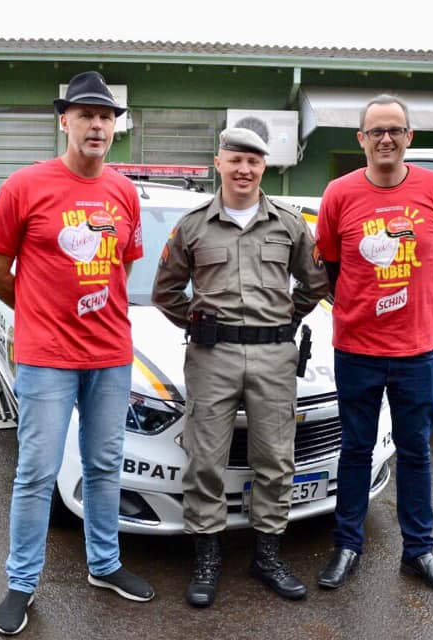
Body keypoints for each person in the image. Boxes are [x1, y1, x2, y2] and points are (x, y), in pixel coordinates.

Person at [0, 70, 154, 636]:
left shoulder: (124, 191)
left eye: (105, 116)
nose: (97, 124)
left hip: (110, 354)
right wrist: (38, 309)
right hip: (46, 356)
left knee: (105, 467)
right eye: (85, 114)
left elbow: (122, 266)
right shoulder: (25, 186)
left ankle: (104, 565)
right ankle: (22, 583)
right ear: (65, 121)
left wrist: (92, 305)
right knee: (36, 473)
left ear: (114, 128)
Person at [152, 127, 329, 607]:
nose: (244, 169)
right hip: (212, 357)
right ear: (219, 163)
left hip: (275, 356)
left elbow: (314, 283)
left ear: (263, 166)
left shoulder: (289, 225)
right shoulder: (192, 226)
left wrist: (286, 319)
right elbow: (165, 291)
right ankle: (208, 558)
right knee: (206, 459)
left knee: (274, 458)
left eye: (253, 161)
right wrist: (198, 323)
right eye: (236, 160)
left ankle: (266, 555)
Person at [313, 95, 433, 595]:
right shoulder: (339, 194)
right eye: (375, 131)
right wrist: (362, 305)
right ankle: (348, 544)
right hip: (357, 347)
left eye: (395, 130)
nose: (385, 139)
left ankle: (418, 552)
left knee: (415, 450)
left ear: (409, 137)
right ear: (360, 139)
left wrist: (414, 302)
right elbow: (330, 267)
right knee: (355, 448)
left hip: (417, 350)